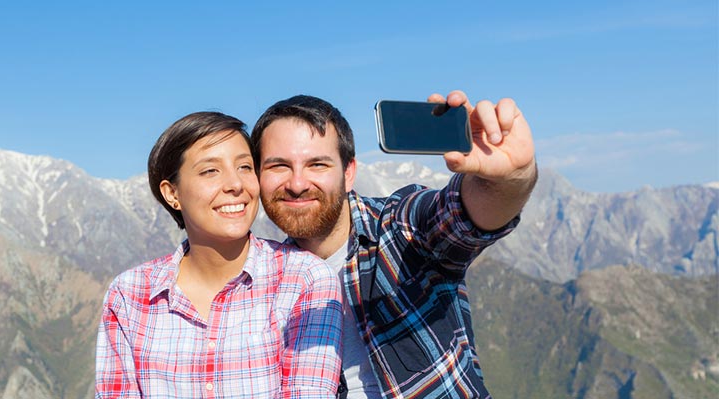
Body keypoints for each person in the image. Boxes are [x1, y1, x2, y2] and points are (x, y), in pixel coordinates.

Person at [250, 91, 537, 399]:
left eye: (317, 164)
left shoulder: (400, 229)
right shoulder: (260, 282)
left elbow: (461, 216)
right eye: (278, 166)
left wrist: (510, 178)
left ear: (349, 174)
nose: (297, 183)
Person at [95, 111, 344, 398]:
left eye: (244, 167)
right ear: (172, 193)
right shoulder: (129, 295)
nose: (235, 184)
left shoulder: (305, 280)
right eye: (210, 171)